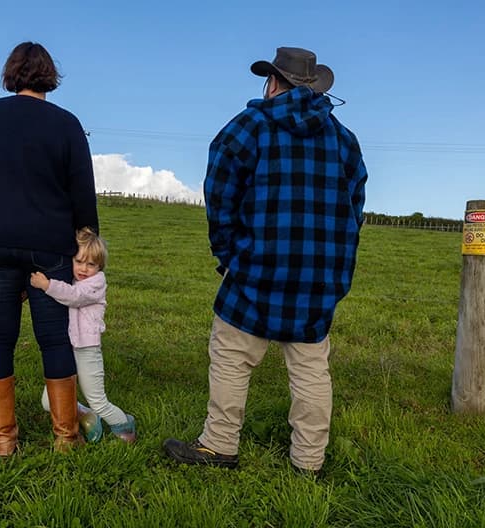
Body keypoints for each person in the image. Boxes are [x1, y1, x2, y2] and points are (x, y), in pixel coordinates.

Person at [163, 47, 367, 474]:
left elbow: (218, 197)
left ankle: (219, 444)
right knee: (311, 367)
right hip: (317, 277)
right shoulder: (344, 140)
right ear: (312, 86)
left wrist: (229, 255)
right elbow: (355, 210)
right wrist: (334, 267)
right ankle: (308, 461)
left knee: (232, 355)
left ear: (273, 82)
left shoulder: (247, 128)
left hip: (254, 268)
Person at [0, 41, 99, 455]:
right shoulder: (68, 124)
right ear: (49, 76)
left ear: (11, 73)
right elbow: (82, 193)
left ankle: (5, 442)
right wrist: (86, 242)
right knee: (54, 341)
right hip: (50, 245)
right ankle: (65, 439)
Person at [31, 227, 136, 444]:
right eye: (79, 261)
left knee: (98, 400)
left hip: (87, 350)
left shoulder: (96, 283)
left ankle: (125, 428)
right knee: (49, 401)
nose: (84, 269)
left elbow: (74, 297)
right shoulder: (71, 279)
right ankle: (87, 416)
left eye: (91, 264)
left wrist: (47, 285)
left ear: (100, 267)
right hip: (65, 347)